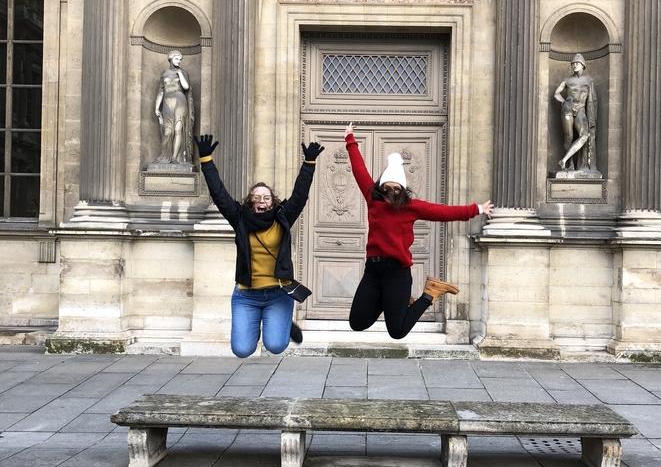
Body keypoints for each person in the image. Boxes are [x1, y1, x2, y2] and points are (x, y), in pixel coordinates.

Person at [344, 123, 494, 339]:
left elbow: (443, 212)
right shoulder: (373, 200)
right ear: (381, 187)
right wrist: (350, 140)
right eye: (387, 188)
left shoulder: (410, 207)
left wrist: (477, 209)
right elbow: (360, 171)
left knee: (397, 331)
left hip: (397, 272)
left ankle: (430, 293)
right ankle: (396, 300)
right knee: (357, 323)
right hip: (373, 272)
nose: (391, 193)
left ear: (402, 190)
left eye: (397, 190)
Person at [195, 133, 324, 357]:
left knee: (275, 346)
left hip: (278, 293)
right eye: (256, 197)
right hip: (247, 295)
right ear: (249, 201)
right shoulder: (239, 218)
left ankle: (281, 325)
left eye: (266, 197)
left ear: (272, 202)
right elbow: (219, 194)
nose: (261, 201)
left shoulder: (282, 218)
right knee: (242, 350)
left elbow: (300, 195)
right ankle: (259, 325)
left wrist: (309, 163)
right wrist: (206, 160)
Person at [553, 53, 599, 174]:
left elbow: (593, 99)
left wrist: (593, 116)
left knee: (584, 135)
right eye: (573, 64)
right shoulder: (567, 80)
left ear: (583, 65)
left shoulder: (589, 80)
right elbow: (556, 93)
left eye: (577, 63)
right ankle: (570, 165)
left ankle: (564, 160)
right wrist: (563, 101)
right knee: (568, 137)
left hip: (581, 110)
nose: (574, 65)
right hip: (568, 109)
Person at [154, 50, 194, 165]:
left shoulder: (183, 72)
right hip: (167, 103)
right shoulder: (164, 73)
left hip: (180, 102)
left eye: (180, 59)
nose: (179, 61)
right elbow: (160, 92)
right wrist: (156, 107)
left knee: (178, 130)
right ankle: (164, 156)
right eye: (177, 59)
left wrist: (180, 74)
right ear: (170, 59)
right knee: (167, 131)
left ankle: (175, 157)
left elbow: (186, 87)